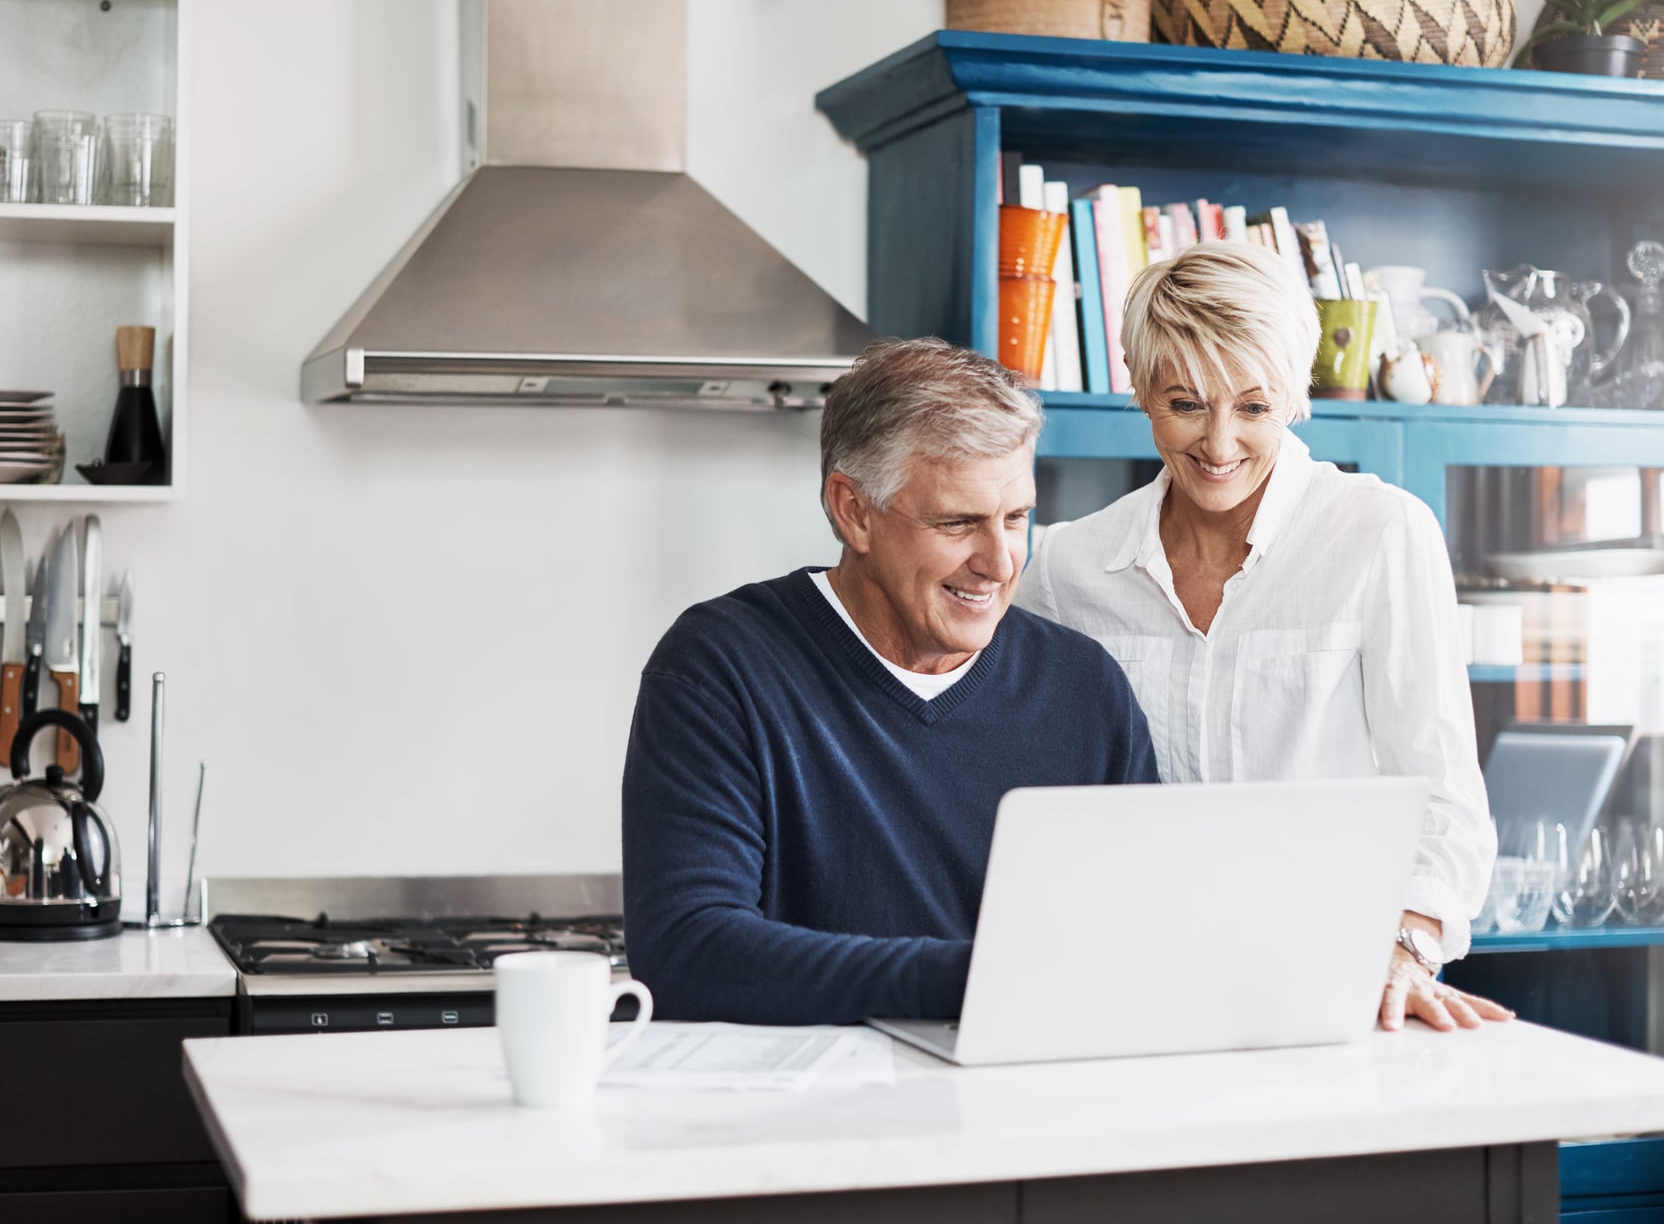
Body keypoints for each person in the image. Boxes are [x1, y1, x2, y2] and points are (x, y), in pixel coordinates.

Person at [1017, 241, 1509, 1036]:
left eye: (1252, 406)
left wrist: (1407, 945)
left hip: (1336, 986)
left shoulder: (1379, 533)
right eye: (1185, 403)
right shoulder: (1070, 566)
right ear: (1140, 390)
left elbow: (1446, 794)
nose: (1218, 444)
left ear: (1295, 393)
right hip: (1137, 989)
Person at [622, 337, 1159, 1025]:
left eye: (1017, 517)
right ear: (854, 510)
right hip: (808, 1123)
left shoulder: (1087, 691)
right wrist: (974, 978)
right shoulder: (720, 668)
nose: (998, 562)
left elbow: (1145, 944)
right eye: (958, 522)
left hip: (1029, 1111)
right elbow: (687, 953)